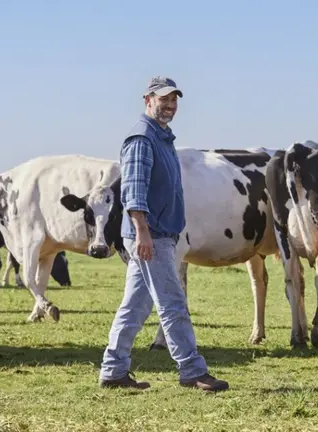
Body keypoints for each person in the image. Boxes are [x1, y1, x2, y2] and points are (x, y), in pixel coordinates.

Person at [98, 76, 229, 392]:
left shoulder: (162, 138)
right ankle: (192, 370)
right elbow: (133, 190)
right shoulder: (142, 139)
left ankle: (113, 371)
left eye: (174, 100)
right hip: (150, 235)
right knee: (172, 302)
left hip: (157, 234)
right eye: (163, 99)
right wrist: (142, 232)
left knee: (135, 306)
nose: (170, 105)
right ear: (147, 100)